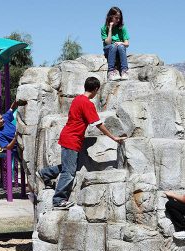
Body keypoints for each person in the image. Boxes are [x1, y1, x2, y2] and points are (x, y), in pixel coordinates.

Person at [36, 77, 127, 210]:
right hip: (72, 139)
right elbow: (98, 124)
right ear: (96, 89)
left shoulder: (77, 99)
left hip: (69, 138)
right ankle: (58, 200)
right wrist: (113, 137)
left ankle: (45, 173)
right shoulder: (87, 103)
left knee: (70, 167)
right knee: (69, 172)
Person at [101, 7, 130, 81]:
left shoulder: (122, 28)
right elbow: (108, 43)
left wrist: (121, 43)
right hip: (109, 48)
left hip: (119, 48)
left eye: (119, 18)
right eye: (116, 18)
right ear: (111, 16)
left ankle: (124, 71)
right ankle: (111, 71)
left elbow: (127, 44)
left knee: (121, 46)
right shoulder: (104, 28)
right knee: (113, 46)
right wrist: (110, 28)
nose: (118, 20)